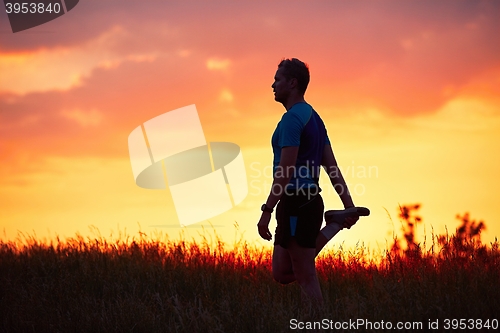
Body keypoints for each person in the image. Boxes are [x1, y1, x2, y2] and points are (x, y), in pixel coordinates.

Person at [257, 58, 359, 305]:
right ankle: (334, 224)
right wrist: (349, 205)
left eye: (277, 79)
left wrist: (267, 210)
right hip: (301, 202)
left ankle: (317, 326)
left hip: (297, 202)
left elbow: (286, 169)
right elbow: (331, 167)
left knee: (306, 277)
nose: (272, 85)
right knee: (282, 273)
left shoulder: (293, 119)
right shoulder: (314, 117)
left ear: (292, 83)